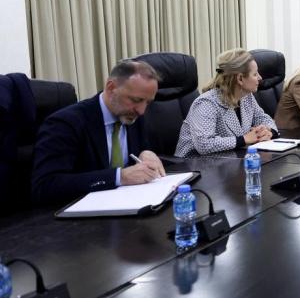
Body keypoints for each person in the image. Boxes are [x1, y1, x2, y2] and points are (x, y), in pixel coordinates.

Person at [31, 60, 166, 204]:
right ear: (111, 88)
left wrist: (146, 153)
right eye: (136, 100)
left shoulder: (133, 115)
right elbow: (45, 186)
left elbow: (138, 160)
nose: (141, 110)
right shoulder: (66, 123)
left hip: (128, 204)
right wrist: (119, 177)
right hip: (81, 211)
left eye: (147, 102)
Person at [175, 49, 278, 157]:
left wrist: (269, 131)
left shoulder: (246, 96)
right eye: (255, 74)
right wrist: (244, 139)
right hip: (193, 161)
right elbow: (204, 144)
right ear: (240, 78)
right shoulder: (206, 103)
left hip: (228, 158)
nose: (260, 78)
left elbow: (262, 118)